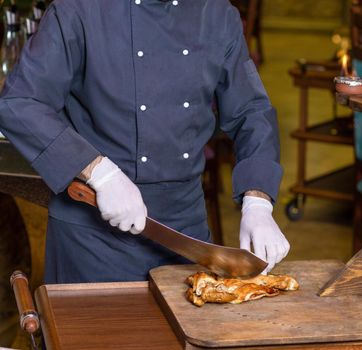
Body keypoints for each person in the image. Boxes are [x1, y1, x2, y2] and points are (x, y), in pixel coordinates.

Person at [0, 0, 289, 284]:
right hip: (92, 237)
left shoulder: (217, 14)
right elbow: (20, 103)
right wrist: (99, 172)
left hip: (185, 233)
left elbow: (251, 112)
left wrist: (257, 202)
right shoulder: (78, 10)